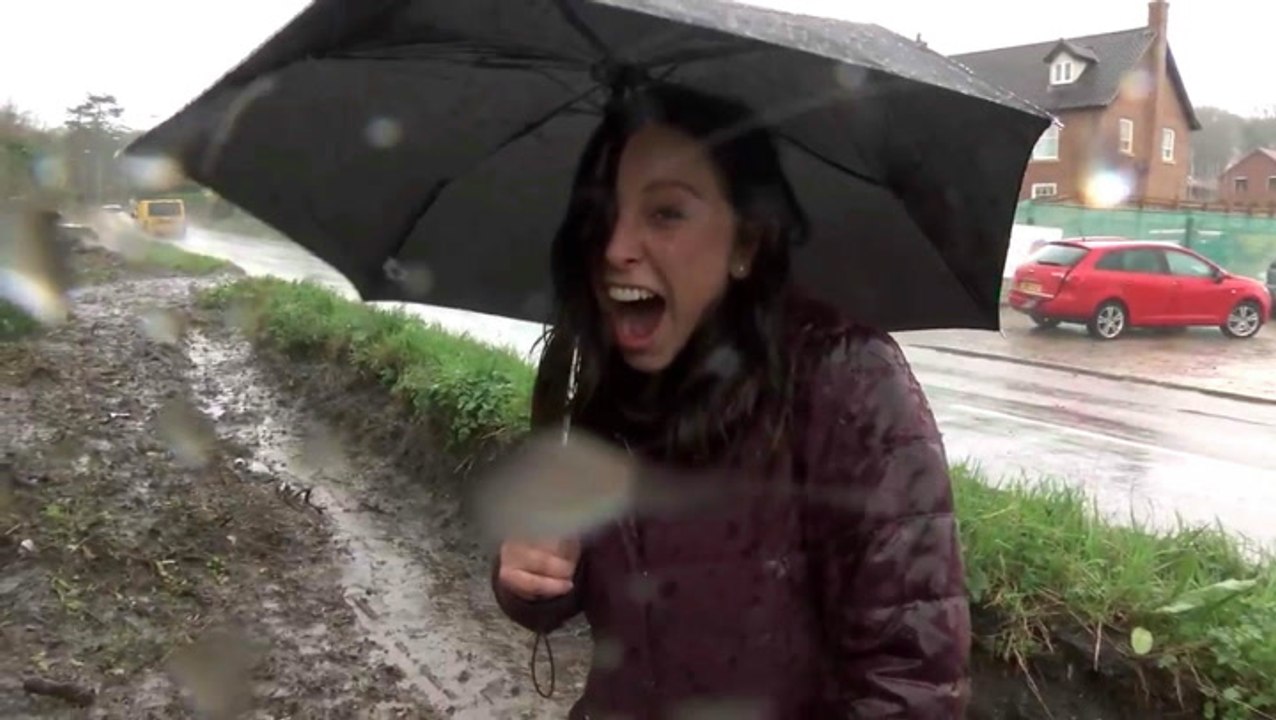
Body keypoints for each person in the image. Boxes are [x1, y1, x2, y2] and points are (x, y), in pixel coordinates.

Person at [491, 83, 969, 719]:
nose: (614, 248)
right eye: (603, 214)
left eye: (666, 213)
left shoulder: (848, 381)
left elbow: (913, 679)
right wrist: (530, 576)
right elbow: (569, 580)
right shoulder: (614, 386)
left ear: (745, 242)